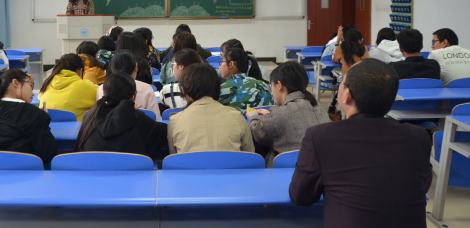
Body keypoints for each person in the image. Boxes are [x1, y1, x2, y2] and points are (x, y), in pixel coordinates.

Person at [289, 59, 432, 228]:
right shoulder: (419, 136)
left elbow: (300, 197)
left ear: (347, 95)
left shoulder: (321, 137)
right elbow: (421, 186)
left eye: (342, 82)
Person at [248, 61, 330, 167]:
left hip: (288, 170)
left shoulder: (280, 114)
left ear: (279, 85)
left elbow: (257, 133)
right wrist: (271, 115)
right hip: (322, 166)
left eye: (272, 85)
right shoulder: (317, 105)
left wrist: (253, 116)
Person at [167, 63, 254, 154]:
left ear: (185, 89)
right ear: (217, 87)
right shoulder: (237, 116)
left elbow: (174, 157)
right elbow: (250, 155)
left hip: (191, 164)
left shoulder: (175, 121)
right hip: (230, 163)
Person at [77, 72, 167, 159]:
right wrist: (129, 110)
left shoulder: (91, 117)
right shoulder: (137, 118)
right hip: (133, 168)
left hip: (93, 168)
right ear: (132, 97)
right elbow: (165, 132)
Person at [0, 69, 57, 168]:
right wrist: (42, 119)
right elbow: (48, 154)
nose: (33, 93)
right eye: (31, 86)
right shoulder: (35, 115)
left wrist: (23, 80)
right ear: (15, 83)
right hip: (25, 171)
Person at [97, 50, 160, 119]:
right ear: (136, 67)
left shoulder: (101, 88)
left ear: (112, 69)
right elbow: (156, 118)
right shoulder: (147, 88)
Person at [38, 53, 97, 120]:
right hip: (75, 125)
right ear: (80, 71)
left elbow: (40, 97)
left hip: (47, 124)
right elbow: (101, 98)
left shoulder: (47, 83)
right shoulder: (86, 86)